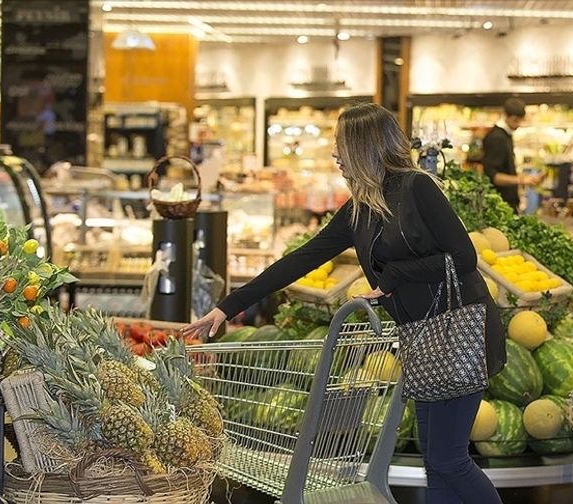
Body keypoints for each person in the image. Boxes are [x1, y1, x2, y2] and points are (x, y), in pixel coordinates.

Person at [183, 103, 506, 504]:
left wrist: (393, 277)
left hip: (459, 332)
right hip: (421, 337)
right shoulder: (359, 211)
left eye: (341, 145)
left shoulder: (417, 187)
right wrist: (227, 306)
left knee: (450, 460)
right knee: (437, 462)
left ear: (364, 147)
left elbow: (464, 258)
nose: (335, 154)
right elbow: (300, 259)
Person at [481, 97, 544, 212]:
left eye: (520, 120)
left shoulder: (505, 135)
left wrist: (525, 178)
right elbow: (494, 176)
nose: (518, 124)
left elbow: (504, 168)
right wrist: (522, 180)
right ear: (505, 115)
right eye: (515, 120)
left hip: (504, 201)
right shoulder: (497, 138)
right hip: (499, 203)